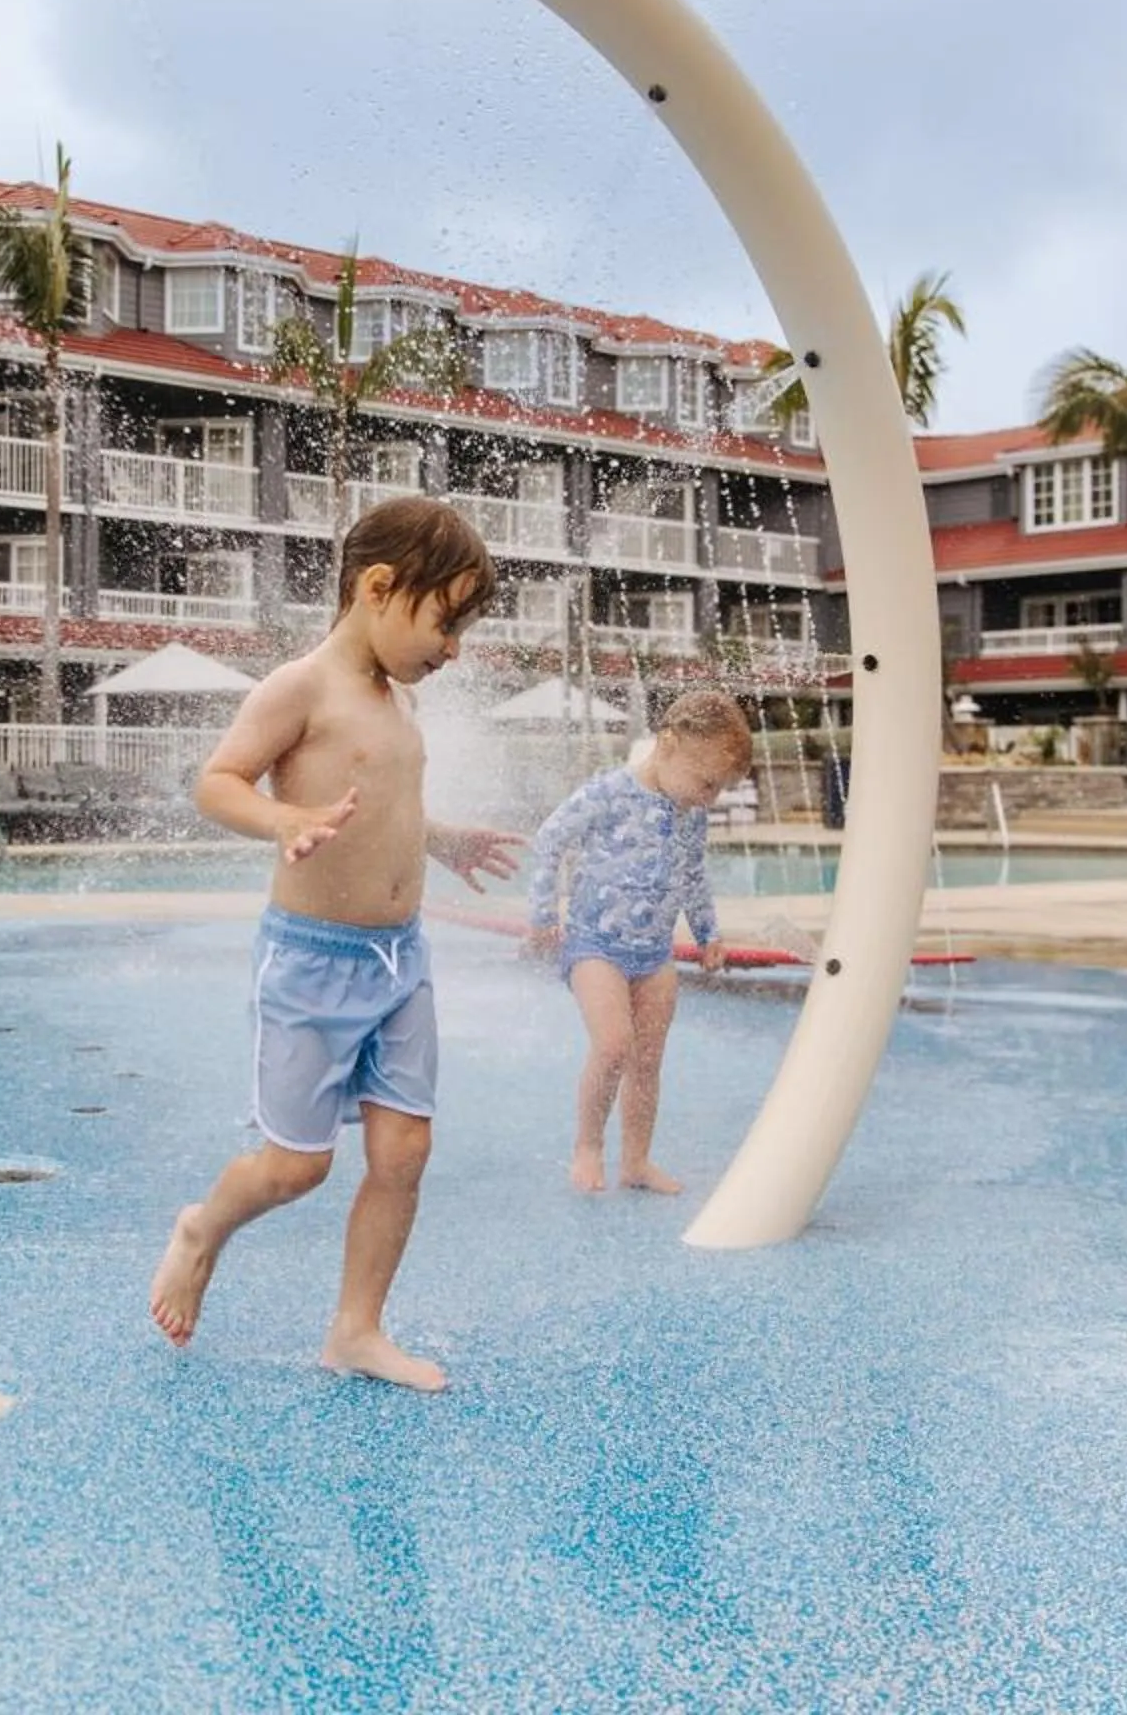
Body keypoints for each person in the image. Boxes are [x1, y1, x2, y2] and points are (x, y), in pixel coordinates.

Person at [146, 496, 522, 1392]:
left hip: (400, 962)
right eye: (445, 622)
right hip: (313, 959)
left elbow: (386, 808)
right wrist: (283, 820)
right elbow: (218, 782)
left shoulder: (396, 706)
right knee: (296, 1167)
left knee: (404, 1154)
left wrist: (441, 839)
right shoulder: (300, 687)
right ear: (379, 588)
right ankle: (202, 1228)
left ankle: (357, 1328)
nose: (453, 650)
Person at [526, 690, 754, 1195]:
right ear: (668, 745)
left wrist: (707, 933)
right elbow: (549, 841)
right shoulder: (608, 792)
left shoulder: (690, 813)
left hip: (654, 954)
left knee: (647, 1061)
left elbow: (693, 875)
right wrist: (543, 916)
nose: (710, 797)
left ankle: (636, 1161)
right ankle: (588, 1148)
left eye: (719, 789)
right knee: (612, 1047)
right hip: (595, 944)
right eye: (707, 783)